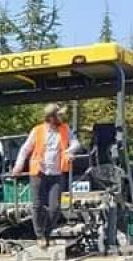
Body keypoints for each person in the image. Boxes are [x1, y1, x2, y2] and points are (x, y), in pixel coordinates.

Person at [11, 103, 83, 247]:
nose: (62, 117)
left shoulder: (65, 129)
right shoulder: (37, 130)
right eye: (59, 115)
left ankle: (47, 232)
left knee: (55, 207)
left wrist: (69, 152)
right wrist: (18, 166)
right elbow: (25, 149)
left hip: (57, 174)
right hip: (39, 172)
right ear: (51, 117)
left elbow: (76, 144)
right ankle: (39, 235)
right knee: (37, 205)